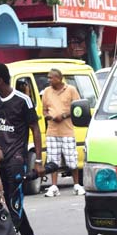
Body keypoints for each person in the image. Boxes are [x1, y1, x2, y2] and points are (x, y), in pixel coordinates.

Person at [0, 63, 44, 235]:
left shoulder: (23, 100)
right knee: (10, 203)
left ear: (1, 80)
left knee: (12, 202)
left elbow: (35, 129)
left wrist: (38, 160)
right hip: (0, 160)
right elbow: (0, 130)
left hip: (17, 160)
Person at [41, 69, 84, 197]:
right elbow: (44, 111)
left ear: (59, 78)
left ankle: (76, 185)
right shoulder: (46, 92)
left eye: (51, 78)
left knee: (72, 160)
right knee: (53, 161)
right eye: (48, 78)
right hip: (52, 131)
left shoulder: (71, 90)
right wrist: (50, 117)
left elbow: (78, 108)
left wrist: (64, 115)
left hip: (67, 130)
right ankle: (54, 186)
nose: (49, 80)